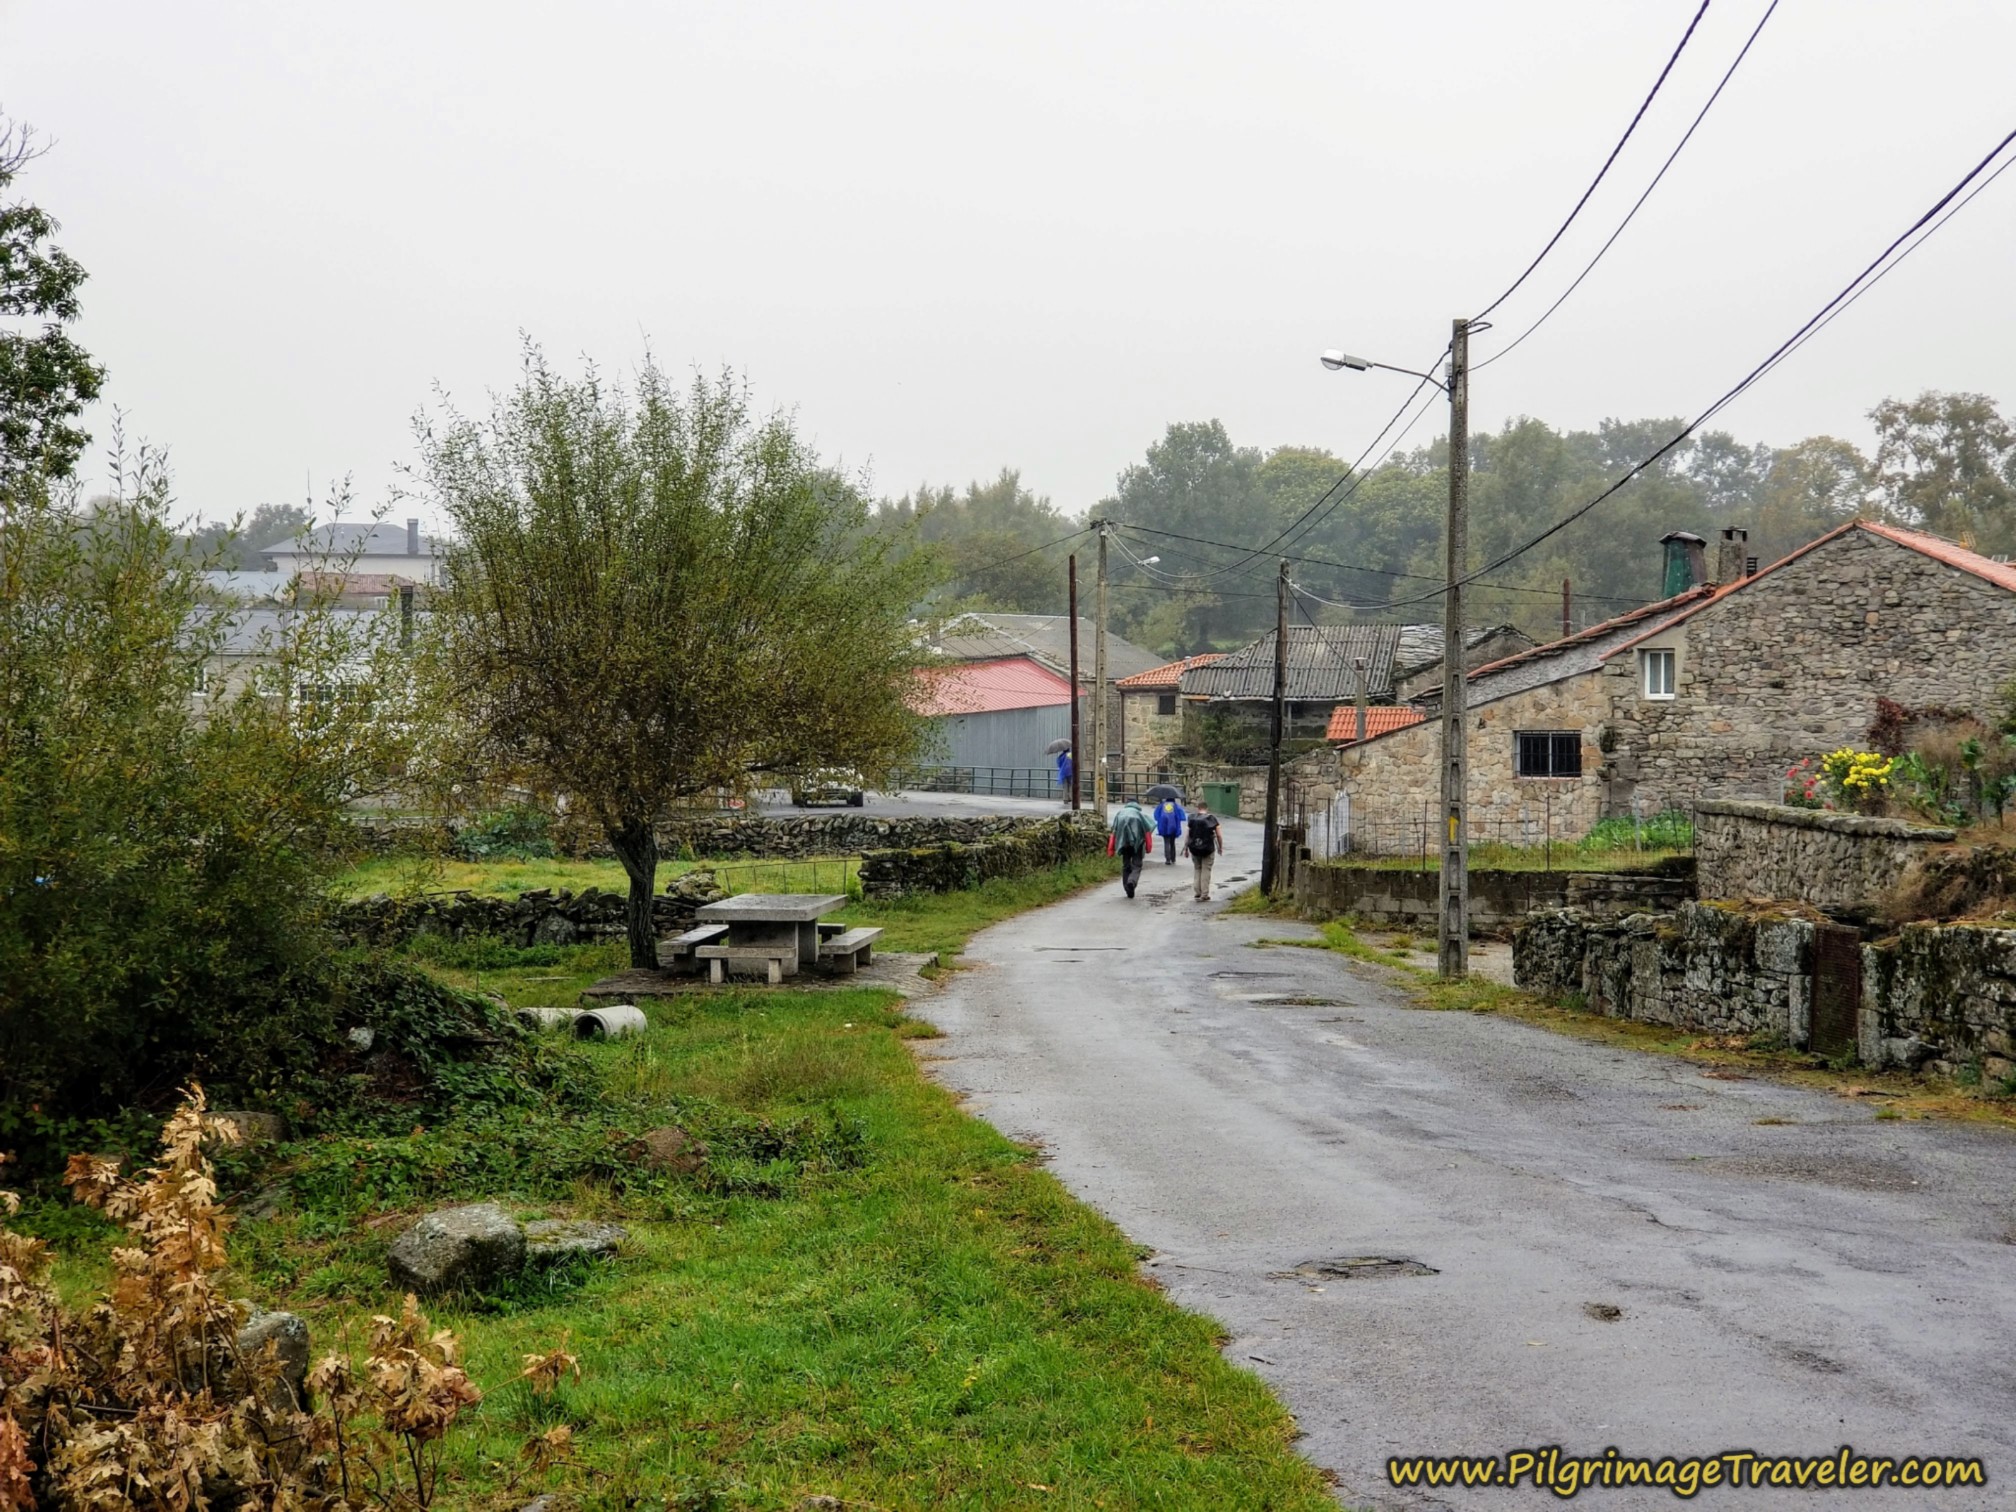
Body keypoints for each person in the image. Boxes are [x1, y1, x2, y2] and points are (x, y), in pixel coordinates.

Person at [1109, 795, 1152, 898]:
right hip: (1137, 844)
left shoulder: (1120, 814)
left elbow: (1113, 832)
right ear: (1137, 804)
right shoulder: (1139, 814)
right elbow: (1147, 832)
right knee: (1137, 865)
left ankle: (1127, 888)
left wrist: (1111, 849)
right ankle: (1132, 881)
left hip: (1123, 843)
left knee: (1126, 865)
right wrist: (1148, 847)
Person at [1186, 801, 1223, 902]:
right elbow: (1219, 835)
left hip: (1194, 848)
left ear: (1198, 808)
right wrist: (1220, 847)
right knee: (1206, 870)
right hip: (1208, 848)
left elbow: (1188, 835)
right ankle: (1204, 894)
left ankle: (1197, 892)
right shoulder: (1212, 819)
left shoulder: (1192, 818)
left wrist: (1186, 848)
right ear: (1207, 809)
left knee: (1197, 869)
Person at [1154, 795, 1187, 864]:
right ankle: (1173, 858)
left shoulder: (1161, 806)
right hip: (1173, 826)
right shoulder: (1176, 806)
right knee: (1172, 842)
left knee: (1166, 842)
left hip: (1164, 827)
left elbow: (1156, 816)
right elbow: (1182, 816)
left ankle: (1167, 859)